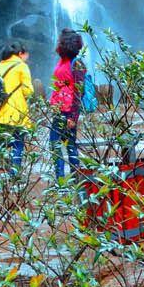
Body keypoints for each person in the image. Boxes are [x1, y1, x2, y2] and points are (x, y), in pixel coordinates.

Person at [0, 40, 33, 172]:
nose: (27, 58)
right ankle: (14, 175)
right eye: (27, 54)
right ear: (21, 53)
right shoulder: (21, 66)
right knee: (18, 143)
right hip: (14, 112)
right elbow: (28, 91)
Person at [48, 28, 86, 181]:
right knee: (57, 144)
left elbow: (79, 92)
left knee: (68, 145)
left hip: (68, 110)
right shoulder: (62, 61)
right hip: (58, 109)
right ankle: (62, 179)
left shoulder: (77, 64)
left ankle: (73, 178)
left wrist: (73, 116)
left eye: (60, 42)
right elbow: (57, 84)